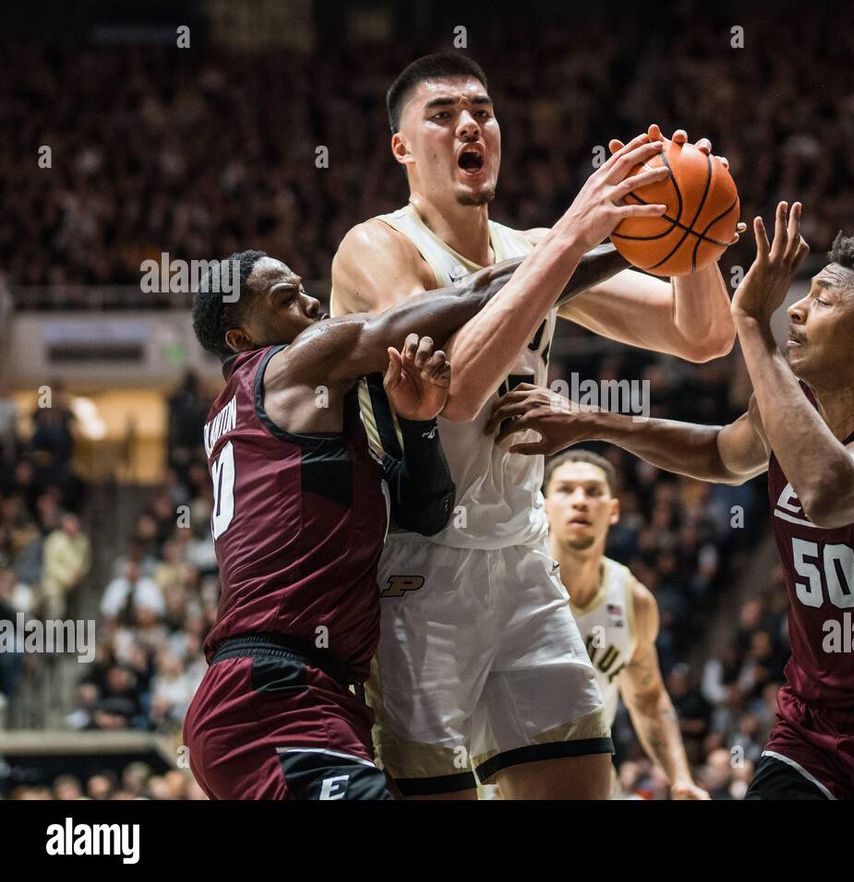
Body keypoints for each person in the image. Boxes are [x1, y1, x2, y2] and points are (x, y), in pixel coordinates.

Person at [491, 205, 854, 798]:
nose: (795, 307)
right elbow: (720, 454)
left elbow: (829, 491)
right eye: (804, 292)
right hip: (816, 727)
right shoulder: (789, 413)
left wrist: (749, 324)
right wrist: (592, 422)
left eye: (822, 299)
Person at [330, 51, 739, 799]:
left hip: (522, 561)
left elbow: (703, 337)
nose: (468, 125)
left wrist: (693, 235)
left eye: (481, 111)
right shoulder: (376, 246)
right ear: (401, 147)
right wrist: (570, 240)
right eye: (443, 113)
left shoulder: (534, 249)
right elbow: (452, 390)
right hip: (414, 569)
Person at [181, 154, 642, 799]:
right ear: (241, 337)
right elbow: (465, 298)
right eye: (286, 299)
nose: (312, 303)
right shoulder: (289, 365)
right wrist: (607, 246)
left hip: (313, 691)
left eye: (304, 288)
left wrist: (419, 425)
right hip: (269, 692)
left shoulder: (271, 417)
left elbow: (425, 511)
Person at [542, 449, 708, 799]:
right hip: (502, 777)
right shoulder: (512, 580)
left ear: (614, 509)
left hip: (591, 780)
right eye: (566, 490)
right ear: (543, 507)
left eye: (592, 491)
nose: (580, 501)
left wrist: (680, 778)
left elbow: (648, 700)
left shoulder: (633, 599)